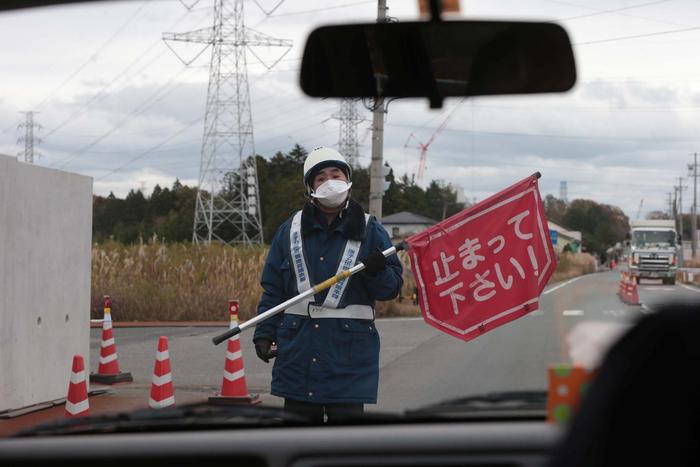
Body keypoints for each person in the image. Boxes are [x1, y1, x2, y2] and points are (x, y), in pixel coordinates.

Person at [252, 146, 403, 423]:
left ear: (347, 179)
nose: (329, 181)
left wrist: (377, 272)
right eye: (320, 177)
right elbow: (274, 289)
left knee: (344, 448)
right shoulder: (290, 230)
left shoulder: (371, 229)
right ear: (310, 186)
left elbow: (390, 289)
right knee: (297, 445)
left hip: (349, 357)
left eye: (336, 174)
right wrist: (264, 333)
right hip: (297, 354)